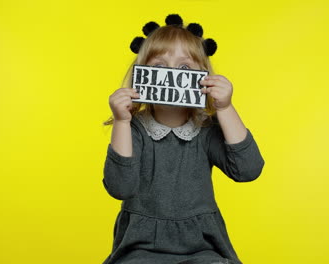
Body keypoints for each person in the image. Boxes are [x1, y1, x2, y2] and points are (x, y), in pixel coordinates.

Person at [102, 14, 265, 264]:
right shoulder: (134, 129)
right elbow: (120, 187)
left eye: (185, 68)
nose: (170, 74)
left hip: (202, 247)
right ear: (141, 74)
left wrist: (225, 108)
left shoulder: (206, 130)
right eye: (158, 67)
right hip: (140, 249)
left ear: (204, 76)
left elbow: (248, 170)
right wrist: (122, 122)